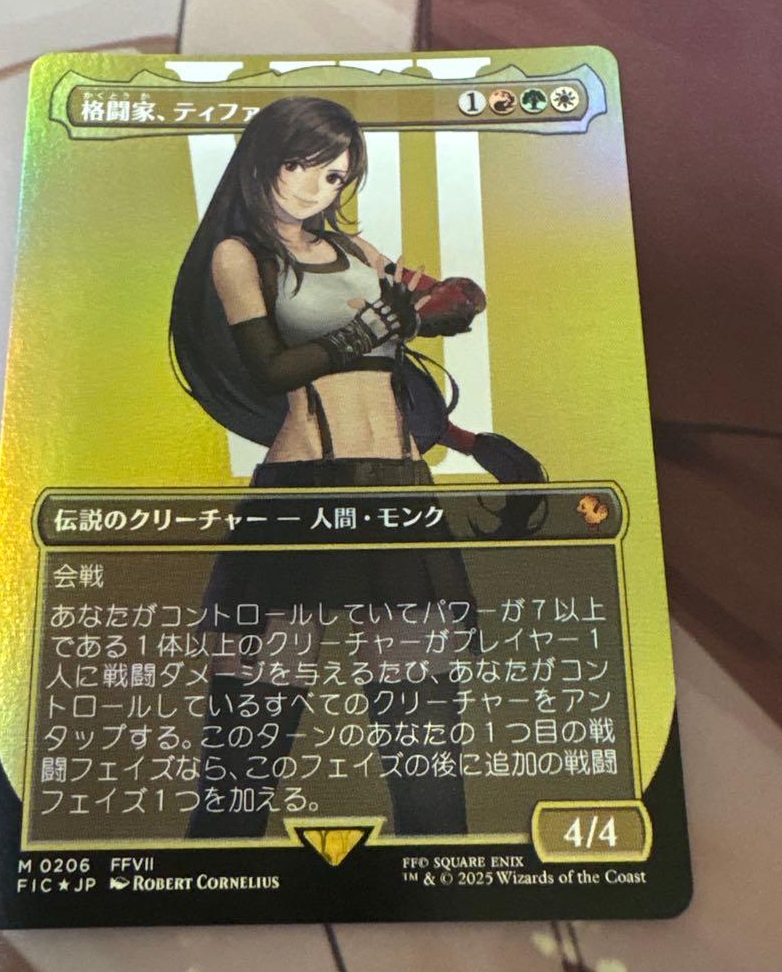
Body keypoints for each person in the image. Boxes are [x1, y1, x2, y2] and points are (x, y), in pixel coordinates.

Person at [170, 96, 543, 838]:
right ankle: (212, 877)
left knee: (424, 732)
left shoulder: (358, 253)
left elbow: (450, 300)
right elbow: (271, 368)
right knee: (250, 735)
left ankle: (439, 881)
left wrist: (443, 306)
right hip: (303, 489)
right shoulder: (238, 255)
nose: (319, 188)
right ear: (264, 160)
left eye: (336, 175)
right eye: (302, 165)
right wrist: (370, 326)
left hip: (399, 489)